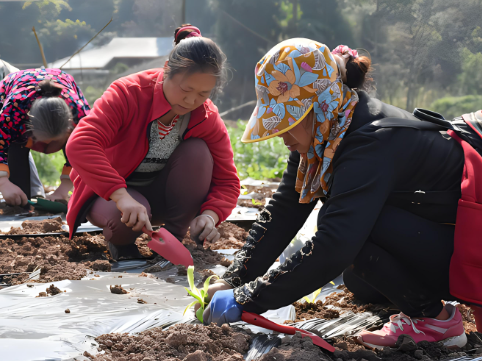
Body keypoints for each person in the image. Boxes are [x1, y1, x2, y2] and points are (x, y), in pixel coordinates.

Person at [203, 38, 469, 349]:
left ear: (319, 105)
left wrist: (248, 299)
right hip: (437, 240)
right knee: (360, 279)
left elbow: (335, 243)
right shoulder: (326, 130)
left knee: (345, 234)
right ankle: (421, 303)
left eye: (289, 121)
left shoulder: (371, 142)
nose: (282, 134)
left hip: (469, 253)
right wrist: (235, 279)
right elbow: (286, 208)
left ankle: (436, 321)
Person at [65, 25, 240, 260]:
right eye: (186, 89)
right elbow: (81, 144)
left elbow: (227, 180)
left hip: (159, 196)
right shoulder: (128, 93)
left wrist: (210, 215)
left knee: (198, 152)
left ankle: (173, 239)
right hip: (110, 196)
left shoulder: (206, 116)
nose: (191, 100)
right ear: (167, 69)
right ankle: (122, 245)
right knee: (125, 221)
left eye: (203, 94)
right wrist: (122, 197)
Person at [0, 67, 90, 205]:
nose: (47, 147)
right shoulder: (12, 112)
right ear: (29, 128)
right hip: (15, 89)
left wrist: (65, 187)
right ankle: (21, 203)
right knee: (16, 149)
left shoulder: (80, 114)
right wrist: (3, 183)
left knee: (78, 145)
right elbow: (1, 145)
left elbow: (88, 152)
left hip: (62, 81)